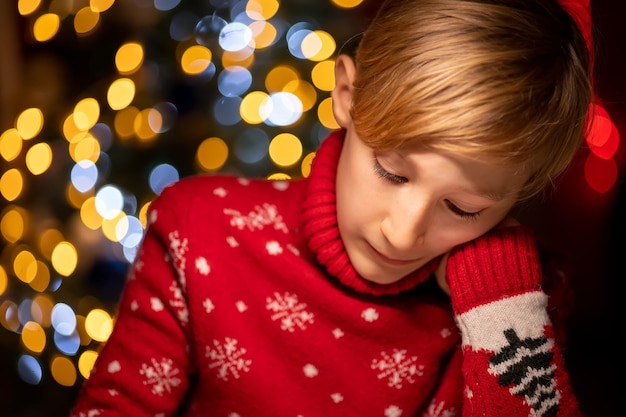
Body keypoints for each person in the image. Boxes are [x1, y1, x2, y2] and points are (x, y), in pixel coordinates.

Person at [71, 0, 600, 415]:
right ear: (347, 94)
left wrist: (501, 307)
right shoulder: (200, 231)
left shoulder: (513, 304)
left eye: (462, 209)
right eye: (392, 172)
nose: (402, 232)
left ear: (524, 188)